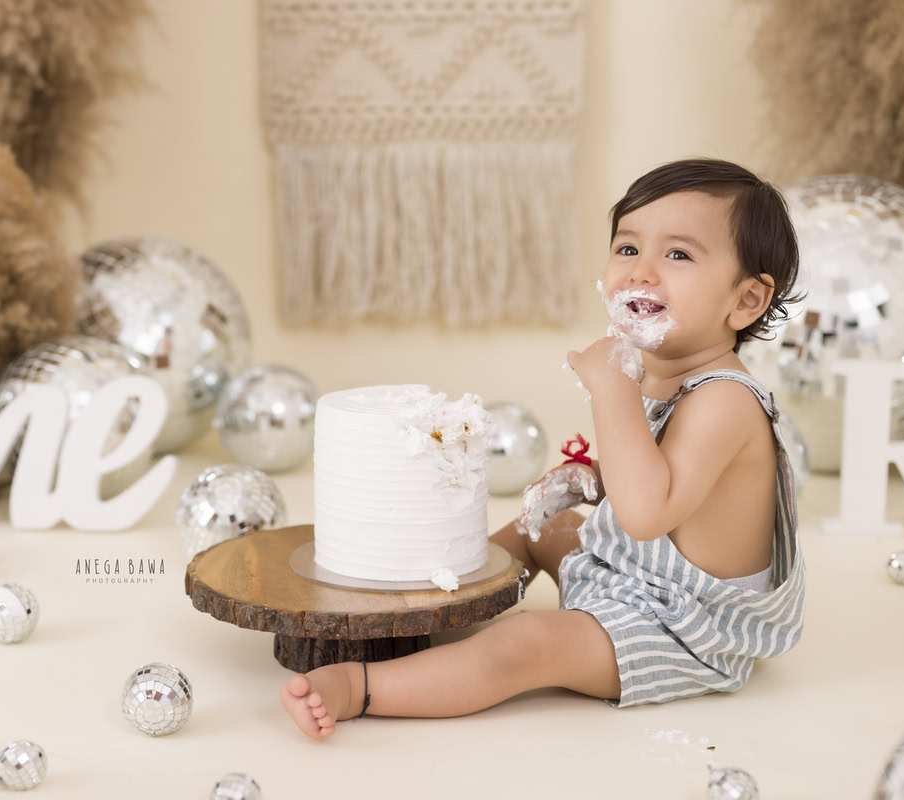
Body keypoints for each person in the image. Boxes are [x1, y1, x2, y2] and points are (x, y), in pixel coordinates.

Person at [279, 158, 807, 739]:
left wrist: (611, 391)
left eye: (678, 255)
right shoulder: (663, 374)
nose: (642, 272)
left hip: (681, 628)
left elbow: (649, 512)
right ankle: (442, 597)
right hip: (627, 579)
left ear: (747, 301)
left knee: (525, 645)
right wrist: (592, 478)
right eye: (628, 249)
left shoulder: (726, 400)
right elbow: (663, 477)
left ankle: (362, 687)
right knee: (539, 530)